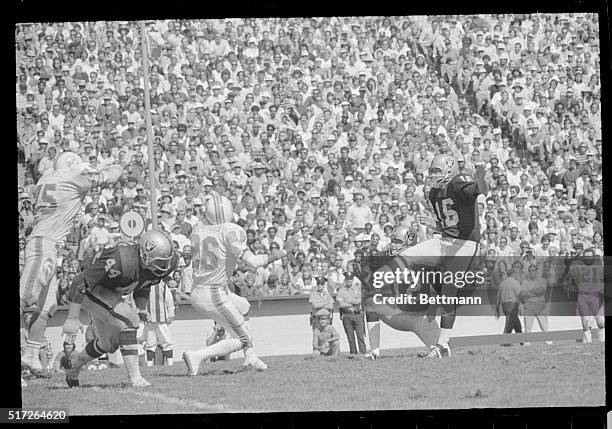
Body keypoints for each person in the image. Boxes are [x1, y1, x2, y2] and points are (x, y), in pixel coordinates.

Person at [20, 151, 126, 380]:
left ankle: (31, 351)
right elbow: (109, 177)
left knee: (45, 308)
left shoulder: (47, 178)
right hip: (43, 244)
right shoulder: (72, 178)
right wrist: (120, 164)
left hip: (49, 247)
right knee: (25, 298)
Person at [375, 154, 487, 358]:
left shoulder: (458, 182)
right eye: (432, 171)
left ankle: (442, 346)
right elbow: (451, 223)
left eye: (437, 170)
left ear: (449, 170)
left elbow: (478, 191)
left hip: (464, 245)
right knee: (406, 256)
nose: (433, 174)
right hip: (444, 240)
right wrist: (435, 225)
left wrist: (478, 175)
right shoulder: (435, 192)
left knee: (447, 293)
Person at [182, 192, 298, 375]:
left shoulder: (198, 228)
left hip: (199, 289)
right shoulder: (229, 230)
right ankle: (197, 356)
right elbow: (254, 262)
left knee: (243, 307)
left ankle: (251, 357)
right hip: (213, 292)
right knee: (243, 338)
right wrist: (285, 251)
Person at [60, 229, 177, 387]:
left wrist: (141, 307)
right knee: (130, 321)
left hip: (109, 292)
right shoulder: (121, 259)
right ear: (144, 255)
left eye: (165, 261)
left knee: (108, 344)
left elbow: (144, 284)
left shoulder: (162, 264)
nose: (164, 266)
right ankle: (136, 378)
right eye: (159, 262)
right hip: (87, 289)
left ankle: (72, 365)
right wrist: (73, 317)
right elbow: (82, 282)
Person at [567, 248, 605, 343]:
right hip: (583, 297)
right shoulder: (577, 266)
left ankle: (602, 342)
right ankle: (588, 345)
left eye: (590, 256)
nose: (588, 258)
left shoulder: (599, 265)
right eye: (586, 256)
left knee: (601, 322)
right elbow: (569, 277)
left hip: (597, 297)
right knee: (586, 323)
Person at [144, 278, 176, 366]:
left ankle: (170, 364)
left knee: (166, 340)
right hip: (149, 319)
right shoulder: (144, 286)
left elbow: (170, 302)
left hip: (162, 319)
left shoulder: (163, 286)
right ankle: (149, 365)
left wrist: (171, 315)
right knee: (150, 342)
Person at [519, 264, 552, 345]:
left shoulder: (543, 281)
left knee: (544, 325)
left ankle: (549, 343)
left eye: (533, 270)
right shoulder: (524, 282)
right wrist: (535, 293)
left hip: (540, 306)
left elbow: (542, 291)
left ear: (537, 271)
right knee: (527, 327)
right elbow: (523, 294)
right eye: (529, 270)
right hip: (529, 306)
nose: (531, 272)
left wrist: (529, 292)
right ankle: (526, 344)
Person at [335, 271, 366, 354]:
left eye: (351, 279)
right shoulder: (341, 291)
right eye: (348, 279)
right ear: (345, 280)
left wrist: (348, 301)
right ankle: (353, 353)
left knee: (360, 336)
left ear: (353, 280)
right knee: (350, 337)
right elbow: (341, 304)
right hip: (347, 315)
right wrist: (352, 303)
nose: (349, 280)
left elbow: (360, 301)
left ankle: (363, 353)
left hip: (357, 314)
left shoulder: (357, 289)